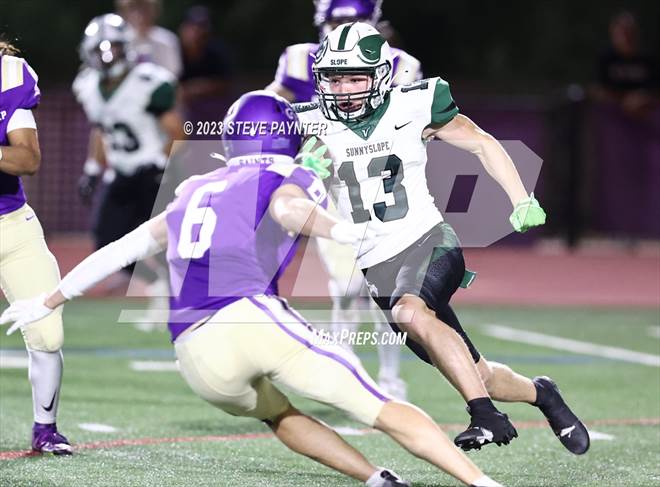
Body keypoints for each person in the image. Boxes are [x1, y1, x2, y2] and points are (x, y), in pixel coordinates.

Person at [1, 91, 505, 487]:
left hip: (195, 355)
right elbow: (288, 208)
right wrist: (339, 229)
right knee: (380, 408)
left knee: (278, 413)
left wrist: (48, 300)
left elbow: (120, 251)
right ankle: (483, 483)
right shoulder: (288, 169)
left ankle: (374, 477)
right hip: (250, 316)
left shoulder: (192, 188)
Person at [295, 22, 590, 454]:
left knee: (410, 313)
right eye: (335, 78)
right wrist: (304, 176)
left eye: (355, 77)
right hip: (378, 271)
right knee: (479, 373)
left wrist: (520, 198)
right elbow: (292, 187)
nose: (343, 89)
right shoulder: (312, 123)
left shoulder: (413, 105)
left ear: (380, 75)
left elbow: (482, 144)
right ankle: (543, 393)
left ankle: (484, 415)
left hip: (428, 241)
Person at [266, 0, 421, 399]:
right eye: (338, 21)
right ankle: (346, 371)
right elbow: (271, 108)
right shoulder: (301, 60)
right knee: (347, 286)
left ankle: (389, 378)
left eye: (354, 21)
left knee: (385, 287)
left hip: (383, 186)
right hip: (332, 184)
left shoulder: (400, 63)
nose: (344, 29)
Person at [73, 14, 185, 328]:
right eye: (101, 49)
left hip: (152, 171)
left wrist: (164, 165)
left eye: (114, 48)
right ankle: (157, 285)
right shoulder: (88, 85)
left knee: (166, 245)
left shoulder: (148, 81)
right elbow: (101, 130)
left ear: (128, 48)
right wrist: (92, 169)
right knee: (107, 242)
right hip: (121, 173)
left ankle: (182, 305)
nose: (108, 56)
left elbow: (178, 131)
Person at [0, 42, 72, 455]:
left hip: (11, 222)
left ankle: (46, 430)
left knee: (47, 331)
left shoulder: (9, 75)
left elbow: (27, 158)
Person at [116, 0, 182, 78]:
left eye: (145, 8)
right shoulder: (118, 42)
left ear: (155, 11)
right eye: (133, 8)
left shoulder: (168, 40)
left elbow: (173, 75)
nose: (139, 14)